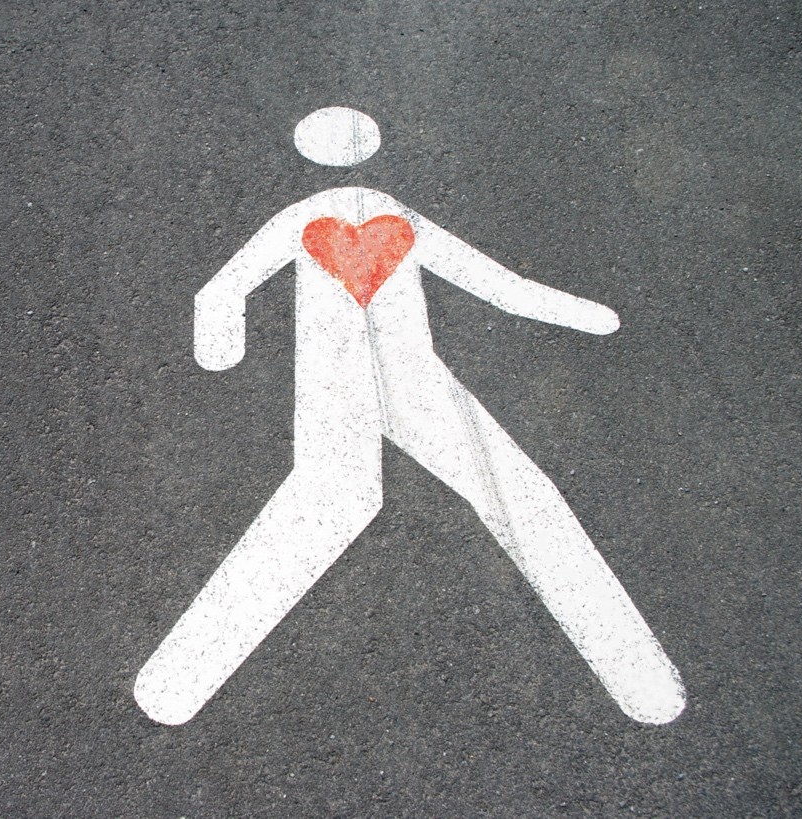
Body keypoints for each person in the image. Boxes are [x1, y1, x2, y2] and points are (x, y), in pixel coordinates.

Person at [134, 107, 685, 726]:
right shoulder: (362, 219)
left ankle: (175, 685)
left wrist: (221, 347)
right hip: (369, 384)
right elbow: (503, 287)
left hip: (378, 380)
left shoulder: (344, 218)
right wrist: (588, 317)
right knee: (495, 492)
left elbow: (221, 290)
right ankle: (176, 682)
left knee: (357, 501)